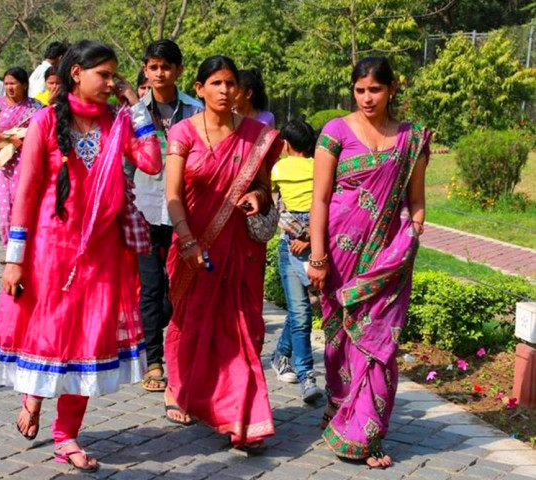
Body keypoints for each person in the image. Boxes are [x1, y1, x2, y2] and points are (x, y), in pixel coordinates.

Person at [0, 40, 162, 471]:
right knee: (49, 336)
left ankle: (67, 436)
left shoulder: (118, 123)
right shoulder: (44, 122)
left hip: (103, 253)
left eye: (116, 76)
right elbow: (25, 192)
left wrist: (134, 108)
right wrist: (15, 258)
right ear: (77, 73)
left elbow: (151, 162)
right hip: (49, 253)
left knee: (89, 342)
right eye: (105, 75)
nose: (111, 83)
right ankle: (34, 396)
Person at [308, 57, 430, 468]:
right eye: (360, 90)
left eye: (375, 90)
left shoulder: (411, 138)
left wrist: (412, 234)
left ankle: (367, 435)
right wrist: (318, 256)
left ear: (392, 89)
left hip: (387, 255)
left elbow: (416, 201)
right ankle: (338, 405)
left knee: (379, 344)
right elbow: (320, 199)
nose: (366, 98)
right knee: (339, 337)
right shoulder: (335, 131)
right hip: (340, 253)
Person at [165, 55, 283, 451]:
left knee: (240, 332)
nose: (224, 91)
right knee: (194, 323)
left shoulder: (256, 135)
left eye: (231, 83)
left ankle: (244, 420)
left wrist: (257, 196)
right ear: (198, 88)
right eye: (215, 83)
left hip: (240, 250)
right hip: (194, 245)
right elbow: (173, 195)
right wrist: (186, 240)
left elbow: (268, 189)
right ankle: (183, 387)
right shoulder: (183, 132)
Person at [134, 39, 202, 395]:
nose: (160, 73)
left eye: (166, 66)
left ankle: (179, 354)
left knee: (180, 289)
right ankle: (154, 359)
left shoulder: (196, 111)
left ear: (179, 70)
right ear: (146, 69)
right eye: (153, 66)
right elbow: (125, 162)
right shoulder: (134, 112)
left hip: (186, 212)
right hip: (144, 208)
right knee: (150, 288)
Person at [270, 119, 323, 403]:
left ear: (286, 145)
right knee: (303, 311)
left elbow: (267, 196)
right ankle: (307, 376)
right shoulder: (320, 167)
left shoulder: (278, 167)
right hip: (316, 244)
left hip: (289, 244)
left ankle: (281, 355)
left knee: (300, 311)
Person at [0, 67, 43, 246]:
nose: (9, 87)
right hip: (1, 161)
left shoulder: (35, 107)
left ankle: (23, 245)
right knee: (5, 204)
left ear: (24, 84)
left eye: (13, 83)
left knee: (21, 203)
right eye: (6, 83)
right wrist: (8, 138)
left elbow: (43, 129)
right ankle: (9, 247)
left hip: (25, 160)